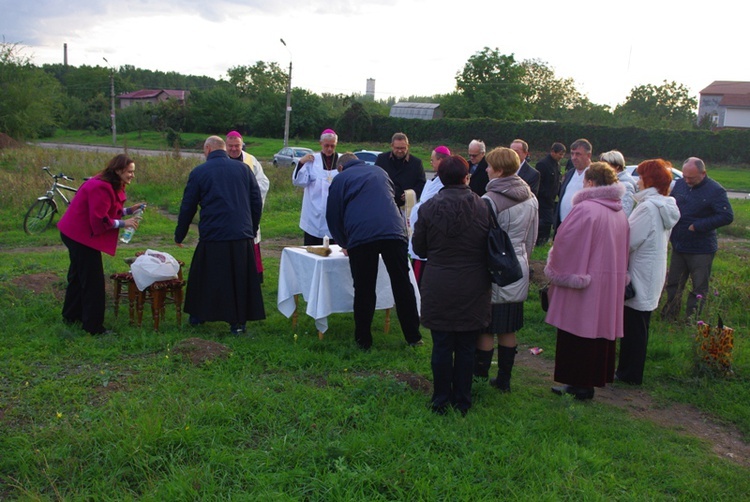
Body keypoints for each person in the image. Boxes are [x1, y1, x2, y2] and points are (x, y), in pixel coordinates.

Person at [412, 155, 491, 415]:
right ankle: (462, 400)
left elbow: (419, 248)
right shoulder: (483, 207)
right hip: (472, 282)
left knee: (442, 344)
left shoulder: (427, 208)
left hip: (440, 282)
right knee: (467, 345)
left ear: (441, 178)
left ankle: (440, 399)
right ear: (466, 177)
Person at [545, 162, 629, 400]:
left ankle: (578, 383)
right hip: (608, 283)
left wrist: (556, 266)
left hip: (585, 283)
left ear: (590, 183)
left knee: (578, 331)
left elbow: (566, 241)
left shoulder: (586, 209)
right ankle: (590, 381)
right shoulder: (619, 211)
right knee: (598, 332)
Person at [326, 153, 423, 350]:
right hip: (394, 232)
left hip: (362, 237)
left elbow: (333, 216)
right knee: (402, 284)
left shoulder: (340, 179)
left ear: (342, 168)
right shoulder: (380, 171)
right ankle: (414, 337)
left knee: (364, 288)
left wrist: (345, 243)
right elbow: (394, 197)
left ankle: (363, 341)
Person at [175, 136, 265, 335]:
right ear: (224, 149)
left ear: (207, 149)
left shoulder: (199, 172)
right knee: (238, 278)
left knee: (206, 276)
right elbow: (256, 201)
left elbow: (188, 206)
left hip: (214, 234)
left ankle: (199, 314)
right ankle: (238, 322)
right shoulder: (244, 170)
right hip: (241, 234)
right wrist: (252, 227)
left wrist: (179, 235)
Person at [473, 147, 538, 392]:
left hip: (493, 268)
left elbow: (481, 240)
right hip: (517, 265)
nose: (486, 169)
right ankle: (504, 380)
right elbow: (531, 237)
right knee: (508, 326)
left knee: (488, 327)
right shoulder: (531, 197)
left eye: (489, 166)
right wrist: (524, 261)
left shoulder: (489, 200)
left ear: (499, 170)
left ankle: (479, 378)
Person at [57, 154, 144, 335]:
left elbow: (110, 209)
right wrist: (124, 223)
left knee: (78, 276)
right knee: (93, 282)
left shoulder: (108, 183)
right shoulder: (100, 187)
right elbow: (100, 220)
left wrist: (129, 210)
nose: (132, 176)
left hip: (73, 232)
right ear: (119, 170)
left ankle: (71, 315)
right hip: (79, 236)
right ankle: (93, 327)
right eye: (129, 172)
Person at [616, 159, 680, 385]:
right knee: (640, 324)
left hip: (640, 271)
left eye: (641, 176)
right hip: (652, 270)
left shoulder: (647, 207)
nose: (638, 181)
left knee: (634, 326)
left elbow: (630, 240)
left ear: (649, 180)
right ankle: (630, 371)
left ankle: (629, 373)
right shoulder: (664, 204)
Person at [661, 157, 734, 321]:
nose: (687, 181)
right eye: (685, 176)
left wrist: (699, 226)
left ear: (703, 173)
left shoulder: (716, 191)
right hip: (679, 245)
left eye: (691, 178)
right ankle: (669, 317)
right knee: (674, 283)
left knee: (699, 287)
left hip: (701, 249)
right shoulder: (680, 185)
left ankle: (692, 320)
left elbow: (727, 216)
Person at [226, 130, 270, 282]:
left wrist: (247, 193)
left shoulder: (251, 160)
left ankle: (253, 275)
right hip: (227, 210)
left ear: (242, 145)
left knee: (251, 242)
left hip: (247, 210)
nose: (233, 149)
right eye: (230, 146)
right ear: (225, 146)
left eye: (236, 146)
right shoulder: (221, 160)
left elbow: (264, 183)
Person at [409, 145, 451, 285]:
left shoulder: (444, 182)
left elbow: (427, 206)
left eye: (433, 160)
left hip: (430, 238)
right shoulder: (437, 178)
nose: (431, 163)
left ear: (441, 160)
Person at [293, 128, 340, 245]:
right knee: (312, 247)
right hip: (314, 210)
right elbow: (299, 182)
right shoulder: (312, 160)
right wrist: (301, 163)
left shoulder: (342, 160)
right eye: (326, 145)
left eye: (332, 146)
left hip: (335, 209)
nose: (329, 149)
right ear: (321, 144)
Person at [375, 132, 426, 208]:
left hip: (406, 206)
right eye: (397, 148)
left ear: (408, 146)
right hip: (384, 203)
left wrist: (411, 194)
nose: (400, 151)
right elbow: (375, 179)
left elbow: (421, 183)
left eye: (403, 148)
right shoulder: (382, 159)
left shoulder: (416, 163)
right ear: (392, 146)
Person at [555, 138, 593, 233]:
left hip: (582, 228)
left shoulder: (595, 175)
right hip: (563, 224)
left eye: (578, 154)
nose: (574, 157)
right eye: (572, 153)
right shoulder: (570, 173)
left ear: (588, 155)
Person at [534, 142, 565, 246]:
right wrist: (545, 194)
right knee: (546, 221)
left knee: (548, 221)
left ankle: (543, 240)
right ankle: (539, 241)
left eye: (562, 154)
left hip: (551, 199)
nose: (561, 157)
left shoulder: (557, 165)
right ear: (553, 152)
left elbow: (557, 181)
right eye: (559, 154)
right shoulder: (542, 164)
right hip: (543, 199)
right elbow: (538, 182)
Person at [600, 150, 637, 217]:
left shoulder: (626, 187)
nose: (602, 169)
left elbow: (624, 214)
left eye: (606, 166)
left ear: (617, 166)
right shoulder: (607, 183)